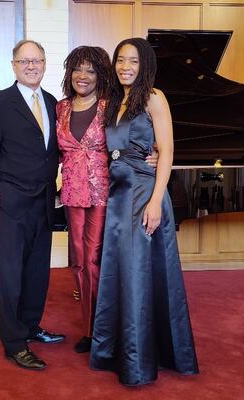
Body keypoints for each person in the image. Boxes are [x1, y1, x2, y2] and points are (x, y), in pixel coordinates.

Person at [89, 38, 199, 386]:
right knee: (121, 272)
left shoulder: (154, 97)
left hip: (143, 193)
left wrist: (155, 201)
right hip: (118, 195)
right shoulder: (114, 102)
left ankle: (138, 364)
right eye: (121, 60)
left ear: (145, 65)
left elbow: (166, 152)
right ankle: (119, 350)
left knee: (137, 272)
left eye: (133, 61)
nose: (125, 67)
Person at [0, 39, 65, 371]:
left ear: (44, 64)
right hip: (12, 202)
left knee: (38, 272)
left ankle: (29, 327)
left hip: (44, 202)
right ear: (14, 65)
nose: (31, 66)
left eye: (37, 60)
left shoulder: (54, 103)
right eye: (24, 61)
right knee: (11, 275)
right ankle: (13, 343)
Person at [56, 46, 112, 354]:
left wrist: (154, 153)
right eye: (78, 69)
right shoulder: (61, 108)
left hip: (104, 195)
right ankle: (89, 330)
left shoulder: (111, 106)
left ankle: (102, 330)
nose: (83, 75)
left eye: (90, 70)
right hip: (72, 195)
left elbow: (134, 138)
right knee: (78, 262)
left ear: (100, 75)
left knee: (95, 262)